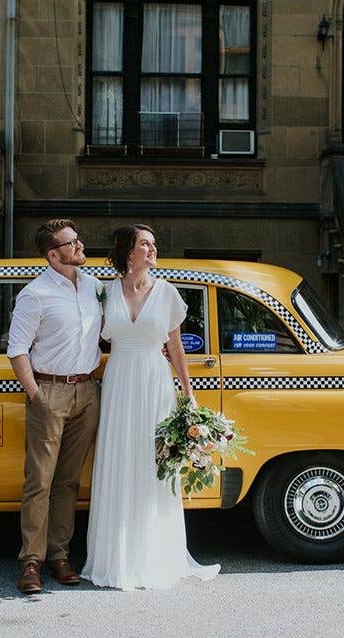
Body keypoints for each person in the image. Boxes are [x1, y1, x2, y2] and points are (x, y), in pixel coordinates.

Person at [81, 224, 220, 590]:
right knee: (119, 459)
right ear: (129, 251)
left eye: (154, 244)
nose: (153, 249)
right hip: (119, 381)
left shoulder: (167, 293)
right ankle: (117, 557)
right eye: (146, 244)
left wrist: (188, 393)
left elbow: (175, 348)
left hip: (155, 383)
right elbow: (87, 335)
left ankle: (155, 553)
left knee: (153, 462)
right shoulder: (104, 291)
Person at [6, 219, 103, 595]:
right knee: (39, 482)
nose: (79, 245)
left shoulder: (95, 287)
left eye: (78, 239)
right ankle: (30, 562)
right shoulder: (35, 295)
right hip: (49, 391)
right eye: (71, 242)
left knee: (68, 481)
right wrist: (36, 396)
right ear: (52, 253)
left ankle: (59, 556)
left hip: (87, 392)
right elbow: (17, 349)